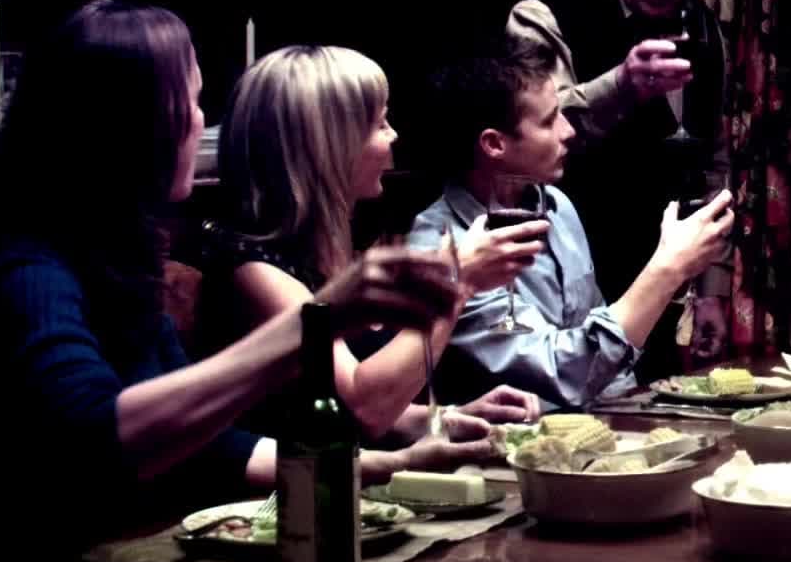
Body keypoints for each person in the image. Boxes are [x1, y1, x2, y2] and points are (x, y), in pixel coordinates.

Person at [0, 0, 471, 554]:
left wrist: (386, 465)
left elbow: (207, 444)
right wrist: (317, 322)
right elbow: (93, 440)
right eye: (192, 101)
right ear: (129, 124)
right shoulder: (22, 269)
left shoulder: (115, 263)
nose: (201, 123)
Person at [200, 44, 545, 453]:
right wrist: (459, 281)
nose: (393, 135)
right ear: (329, 146)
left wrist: (453, 418)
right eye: (379, 124)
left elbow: (379, 416)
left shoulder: (335, 253)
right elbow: (364, 409)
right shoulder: (254, 270)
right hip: (293, 491)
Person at [406, 36, 733, 408]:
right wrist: (669, 269)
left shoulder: (556, 205)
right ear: (494, 144)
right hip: (515, 438)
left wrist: (639, 414)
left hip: (603, 421)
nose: (569, 131)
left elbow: (608, 368)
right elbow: (562, 370)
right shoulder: (439, 248)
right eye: (549, 121)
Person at [505, 0, 733, 373]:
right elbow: (534, 132)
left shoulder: (704, 29)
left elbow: (712, 160)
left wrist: (712, 285)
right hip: (564, 281)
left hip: (662, 284)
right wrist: (623, 85)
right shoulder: (544, 14)